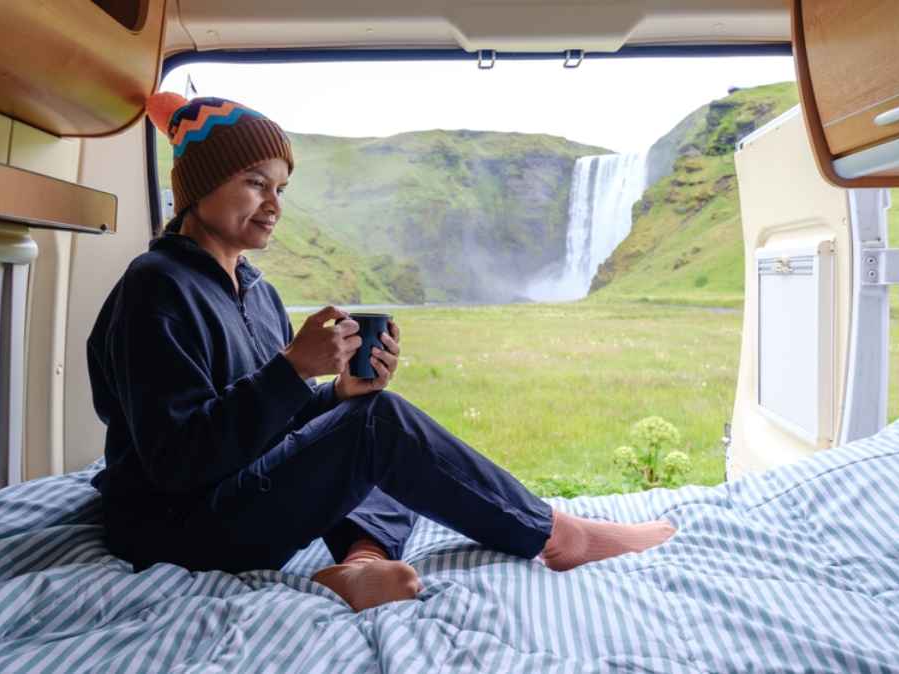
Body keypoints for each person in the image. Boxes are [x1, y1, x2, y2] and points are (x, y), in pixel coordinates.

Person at [87, 92, 676, 612]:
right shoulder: (155, 288)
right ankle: (558, 536)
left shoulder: (257, 291)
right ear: (199, 187)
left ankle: (361, 561)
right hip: (177, 529)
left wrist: (338, 394)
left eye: (281, 189)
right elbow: (178, 462)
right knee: (380, 426)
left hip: (238, 498)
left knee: (374, 424)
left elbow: (276, 426)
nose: (275, 204)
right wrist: (294, 369)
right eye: (255, 182)